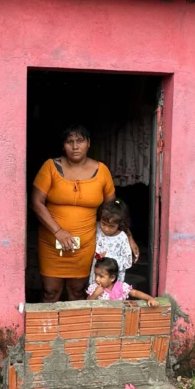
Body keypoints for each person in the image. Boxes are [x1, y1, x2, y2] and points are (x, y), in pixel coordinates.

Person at [31, 125, 140, 302]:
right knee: (50, 291)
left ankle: (76, 328)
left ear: (88, 143)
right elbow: (36, 202)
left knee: (78, 291)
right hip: (51, 243)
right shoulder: (50, 167)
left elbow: (113, 211)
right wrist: (59, 232)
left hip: (86, 246)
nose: (75, 146)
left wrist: (128, 235)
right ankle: (48, 329)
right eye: (69, 142)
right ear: (63, 146)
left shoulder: (102, 171)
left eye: (80, 141)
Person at [89, 200, 133, 286]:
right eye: (103, 224)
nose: (106, 229)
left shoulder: (122, 238)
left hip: (113, 283)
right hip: (96, 280)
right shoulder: (97, 229)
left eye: (111, 226)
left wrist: (108, 256)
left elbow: (128, 262)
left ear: (120, 224)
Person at [87, 257, 158, 306]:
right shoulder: (94, 288)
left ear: (112, 278)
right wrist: (95, 294)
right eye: (96, 275)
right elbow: (87, 303)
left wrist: (149, 298)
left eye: (101, 276)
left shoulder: (121, 287)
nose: (96, 279)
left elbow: (135, 293)